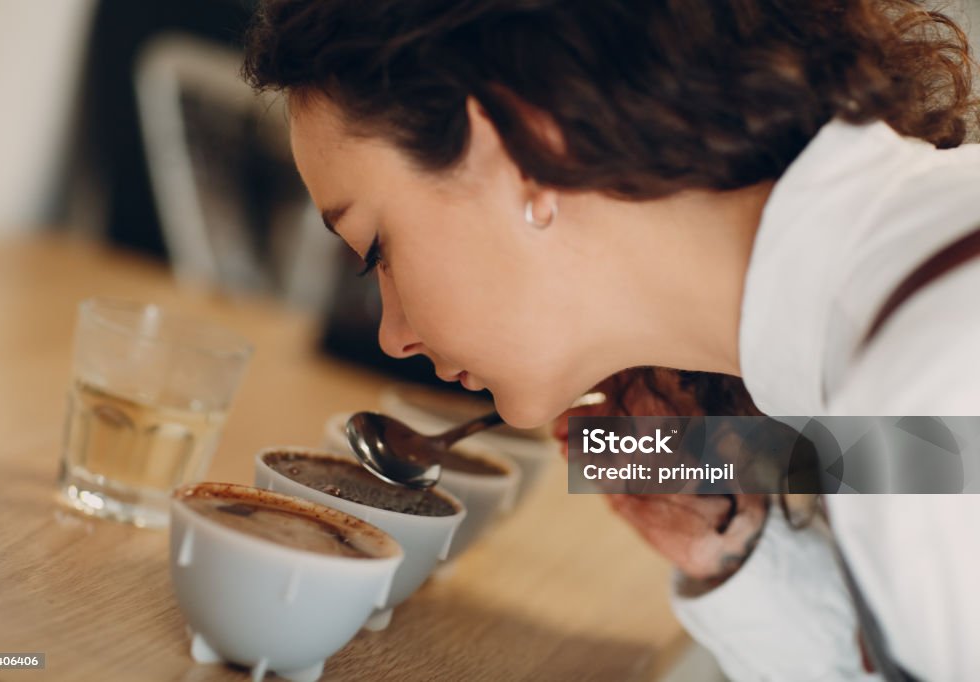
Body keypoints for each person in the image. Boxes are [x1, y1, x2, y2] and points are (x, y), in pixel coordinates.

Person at [241, 1, 980, 679]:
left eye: (378, 250)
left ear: (523, 148)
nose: (393, 333)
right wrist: (725, 537)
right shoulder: (895, 365)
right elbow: (929, 462)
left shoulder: (932, 375)